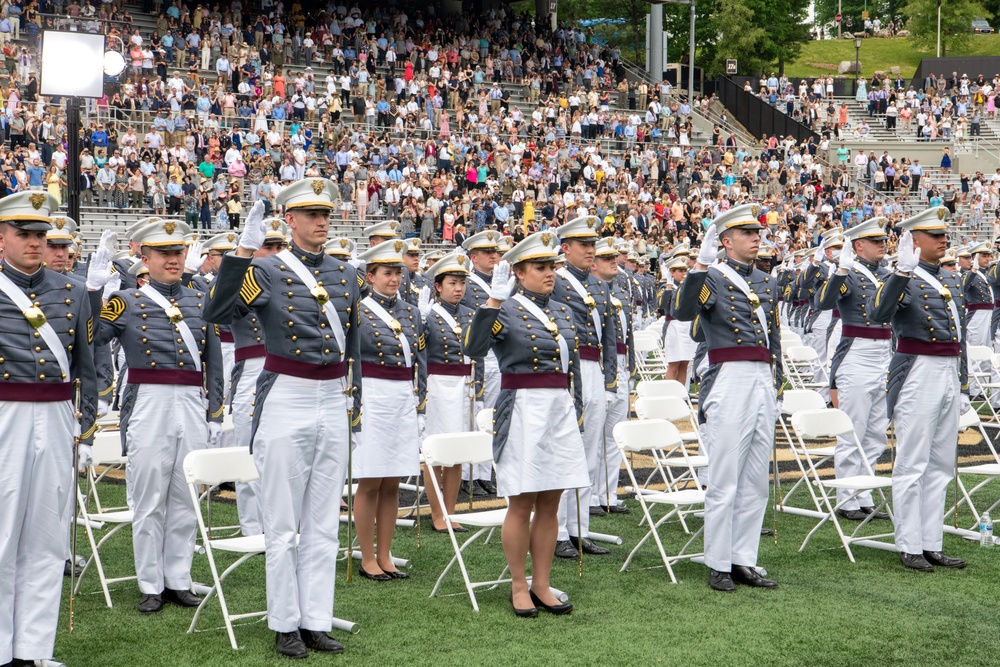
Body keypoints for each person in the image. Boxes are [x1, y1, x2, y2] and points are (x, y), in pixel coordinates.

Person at [205, 181, 360, 658]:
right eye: (310, 214)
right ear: (289, 220)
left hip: (331, 394)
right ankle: (284, 622)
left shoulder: (346, 273)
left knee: (323, 519)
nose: (320, 222)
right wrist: (243, 253)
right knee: (282, 519)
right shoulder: (268, 270)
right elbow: (218, 311)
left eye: (325, 214)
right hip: (286, 394)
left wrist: (353, 397)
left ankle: (315, 618)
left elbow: (351, 339)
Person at [90, 219, 225, 614]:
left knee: (185, 497)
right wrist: (93, 292)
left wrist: (215, 411)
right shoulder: (128, 302)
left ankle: (177, 578)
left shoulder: (201, 301)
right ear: (144, 257)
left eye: (178, 252)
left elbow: (214, 363)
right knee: (149, 497)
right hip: (148, 400)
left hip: (190, 401)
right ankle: (150, 582)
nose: (172, 260)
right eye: (163, 254)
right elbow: (92, 337)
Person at [463, 231, 588, 616]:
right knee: (521, 503)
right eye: (540, 267)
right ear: (518, 271)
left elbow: (574, 368)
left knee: (551, 501)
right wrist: (493, 300)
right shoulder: (505, 308)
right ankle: (519, 584)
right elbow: (473, 347)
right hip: (522, 410)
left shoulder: (564, 310)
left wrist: (577, 408)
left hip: (557, 410)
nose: (549, 273)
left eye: (552, 266)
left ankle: (542, 583)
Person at [0, 191, 98, 667]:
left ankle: (32, 652)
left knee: (46, 538)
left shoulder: (74, 291)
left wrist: (88, 424)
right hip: (5, 418)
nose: (36, 243)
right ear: (2, 237)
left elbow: (87, 363)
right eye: (25, 234)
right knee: (1, 537)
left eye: (41, 235)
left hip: (58, 414)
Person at [672, 203, 783, 592]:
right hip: (728, 377)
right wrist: (699, 267)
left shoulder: (767, 282)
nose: (756, 238)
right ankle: (717, 561)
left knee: (755, 478)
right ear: (726, 241)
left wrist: (778, 383)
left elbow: (775, 338)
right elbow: (685, 312)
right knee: (725, 477)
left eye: (758, 233)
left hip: (761, 378)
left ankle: (743, 559)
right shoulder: (714, 278)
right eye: (748, 234)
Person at [870, 206, 969, 573]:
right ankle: (910, 544)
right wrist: (901, 271)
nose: (944, 240)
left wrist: (963, 383)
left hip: (946, 371)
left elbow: (959, 339)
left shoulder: (950, 279)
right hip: (917, 372)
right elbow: (878, 313)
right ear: (914, 241)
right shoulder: (903, 278)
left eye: (944, 234)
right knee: (912, 462)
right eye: (935, 235)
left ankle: (932, 542)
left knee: (941, 463)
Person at [351, 237, 425, 581]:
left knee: (393, 480)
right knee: (370, 480)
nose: (394, 279)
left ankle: (386, 554)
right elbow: (350, 361)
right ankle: (367, 557)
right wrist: (354, 406)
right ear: (370, 275)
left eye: (397, 272)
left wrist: (420, 404)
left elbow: (419, 360)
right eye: (386, 273)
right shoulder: (358, 310)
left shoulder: (411, 312)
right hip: (373, 395)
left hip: (401, 397)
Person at [816, 217, 893, 521]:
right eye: (876, 242)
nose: (883, 246)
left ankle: (865, 492)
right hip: (857, 353)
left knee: (876, 432)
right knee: (853, 429)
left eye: (884, 241)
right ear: (858, 245)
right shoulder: (848, 273)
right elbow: (823, 301)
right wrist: (841, 270)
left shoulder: (888, 274)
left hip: (884, 352)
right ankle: (847, 497)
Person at [551, 215, 617, 556]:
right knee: (567, 451)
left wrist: (609, 380)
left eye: (593, 244)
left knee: (590, 452)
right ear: (566, 248)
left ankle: (580, 528)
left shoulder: (601, 286)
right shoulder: (556, 280)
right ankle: (559, 531)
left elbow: (609, 337)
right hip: (568, 371)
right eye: (584, 245)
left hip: (593, 369)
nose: (592, 251)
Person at [227, 218, 289, 536]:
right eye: (269, 246)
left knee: (283, 454)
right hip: (252, 369)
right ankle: (252, 527)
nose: (275, 252)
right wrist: (242, 255)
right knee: (248, 451)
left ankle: (281, 524)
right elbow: (219, 303)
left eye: (280, 246)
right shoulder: (239, 280)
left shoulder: (289, 281)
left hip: (286, 371)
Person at [418, 250, 482, 532]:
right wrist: (419, 323)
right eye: (452, 283)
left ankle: (450, 511)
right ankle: (436, 513)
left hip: (464, 388)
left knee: (457, 453)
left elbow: (479, 353)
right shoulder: (428, 314)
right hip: (439, 386)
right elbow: (417, 354)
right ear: (438, 286)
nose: (458, 288)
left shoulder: (472, 314)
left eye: (462, 283)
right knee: (437, 452)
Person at [459, 229, 505, 495]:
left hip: (497, 354)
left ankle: (484, 472)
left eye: (495, 252)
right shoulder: (467, 283)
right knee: (473, 413)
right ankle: (468, 474)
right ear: (473, 257)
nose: (493, 256)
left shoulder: (500, 282)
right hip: (476, 354)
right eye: (488, 253)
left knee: (491, 415)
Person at [591, 236, 634, 514]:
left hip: (620, 363)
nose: (614, 262)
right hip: (596, 364)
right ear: (592, 264)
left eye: (614, 258)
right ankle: (591, 497)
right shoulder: (588, 291)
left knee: (614, 435)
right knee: (594, 435)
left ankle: (608, 494)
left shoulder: (619, 291)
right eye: (607, 259)